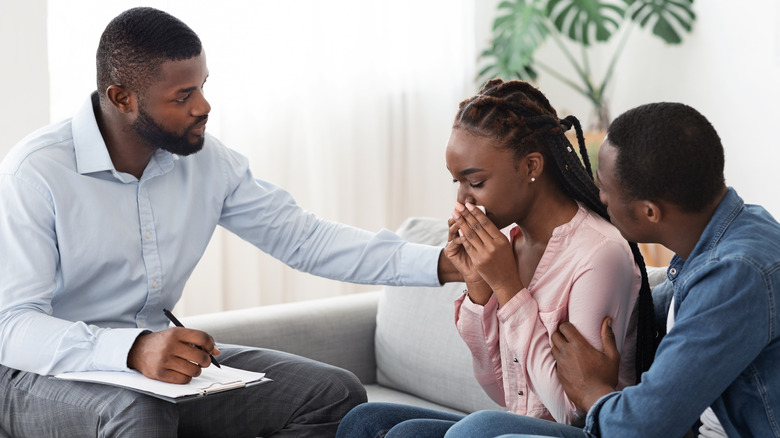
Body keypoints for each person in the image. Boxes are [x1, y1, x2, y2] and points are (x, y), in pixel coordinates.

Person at [0, 7, 461, 438]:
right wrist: (133, 349)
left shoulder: (207, 163)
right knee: (140, 412)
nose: (204, 105)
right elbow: (12, 327)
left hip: (155, 368)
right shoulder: (36, 173)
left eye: (202, 85)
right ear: (122, 98)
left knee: (333, 393)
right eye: (183, 95)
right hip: (38, 375)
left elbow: (305, 239)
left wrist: (443, 263)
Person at [336, 79, 657, 437]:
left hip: (586, 432)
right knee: (367, 422)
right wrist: (479, 289)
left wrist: (508, 288)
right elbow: (504, 392)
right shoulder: (509, 245)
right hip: (519, 427)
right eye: (456, 182)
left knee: (473, 430)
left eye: (475, 182)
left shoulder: (599, 253)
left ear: (531, 166)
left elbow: (573, 412)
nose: (463, 200)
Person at [443, 102, 780, 437]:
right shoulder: (726, 240)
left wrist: (591, 389)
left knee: (475, 431)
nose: (597, 197)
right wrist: (485, 285)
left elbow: (640, 425)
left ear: (649, 212)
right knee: (397, 426)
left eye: (605, 188)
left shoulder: (736, 275)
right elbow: (647, 315)